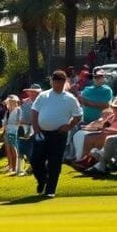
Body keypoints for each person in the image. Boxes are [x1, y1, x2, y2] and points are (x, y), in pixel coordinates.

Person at [30, 70, 82, 198]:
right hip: (41, 133)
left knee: (55, 163)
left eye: (60, 81)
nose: (57, 83)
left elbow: (78, 115)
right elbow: (35, 112)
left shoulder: (70, 99)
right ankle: (42, 180)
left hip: (58, 134)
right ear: (51, 81)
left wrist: (69, 126)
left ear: (64, 82)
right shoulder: (43, 96)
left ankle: (50, 190)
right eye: (55, 81)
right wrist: (36, 128)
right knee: (35, 161)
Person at [68, 95, 117, 167]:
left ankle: (92, 161)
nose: (116, 109)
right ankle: (84, 158)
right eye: (114, 107)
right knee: (88, 137)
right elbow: (104, 125)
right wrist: (92, 127)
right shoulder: (113, 116)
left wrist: (107, 130)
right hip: (107, 134)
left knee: (99, 137)